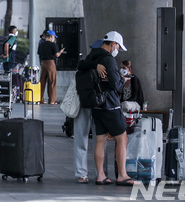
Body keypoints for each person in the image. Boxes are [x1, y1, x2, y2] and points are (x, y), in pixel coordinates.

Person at [79, 31, 138, 186]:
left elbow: (81, 65)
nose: (117, 49)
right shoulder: (109, 59)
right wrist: (122, 80)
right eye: (118, 46)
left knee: (100, 139)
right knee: (122, 138)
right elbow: (115, 84)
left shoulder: (93, 56)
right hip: (110, 105)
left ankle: (100, 175)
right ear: (113, 44)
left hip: (96, 105)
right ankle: (123, 175)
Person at [73, 39, 104, 184]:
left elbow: (81, 65)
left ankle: (82, 174)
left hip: (83, 105)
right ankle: (101, 173)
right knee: (100, 140)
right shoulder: (101, 66)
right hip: (99, 106)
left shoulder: (83, 65)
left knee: (81, 139)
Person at [38, 30, 65, 104]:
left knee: (42, 81)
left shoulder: (41, 44)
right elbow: (56, 55)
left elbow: (39, 53)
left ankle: (40, 99)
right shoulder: (53, 45)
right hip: (50, 63)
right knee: (52, 81)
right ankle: (52, 100)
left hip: (43, 63)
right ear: (52, 36)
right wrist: (60, 52)